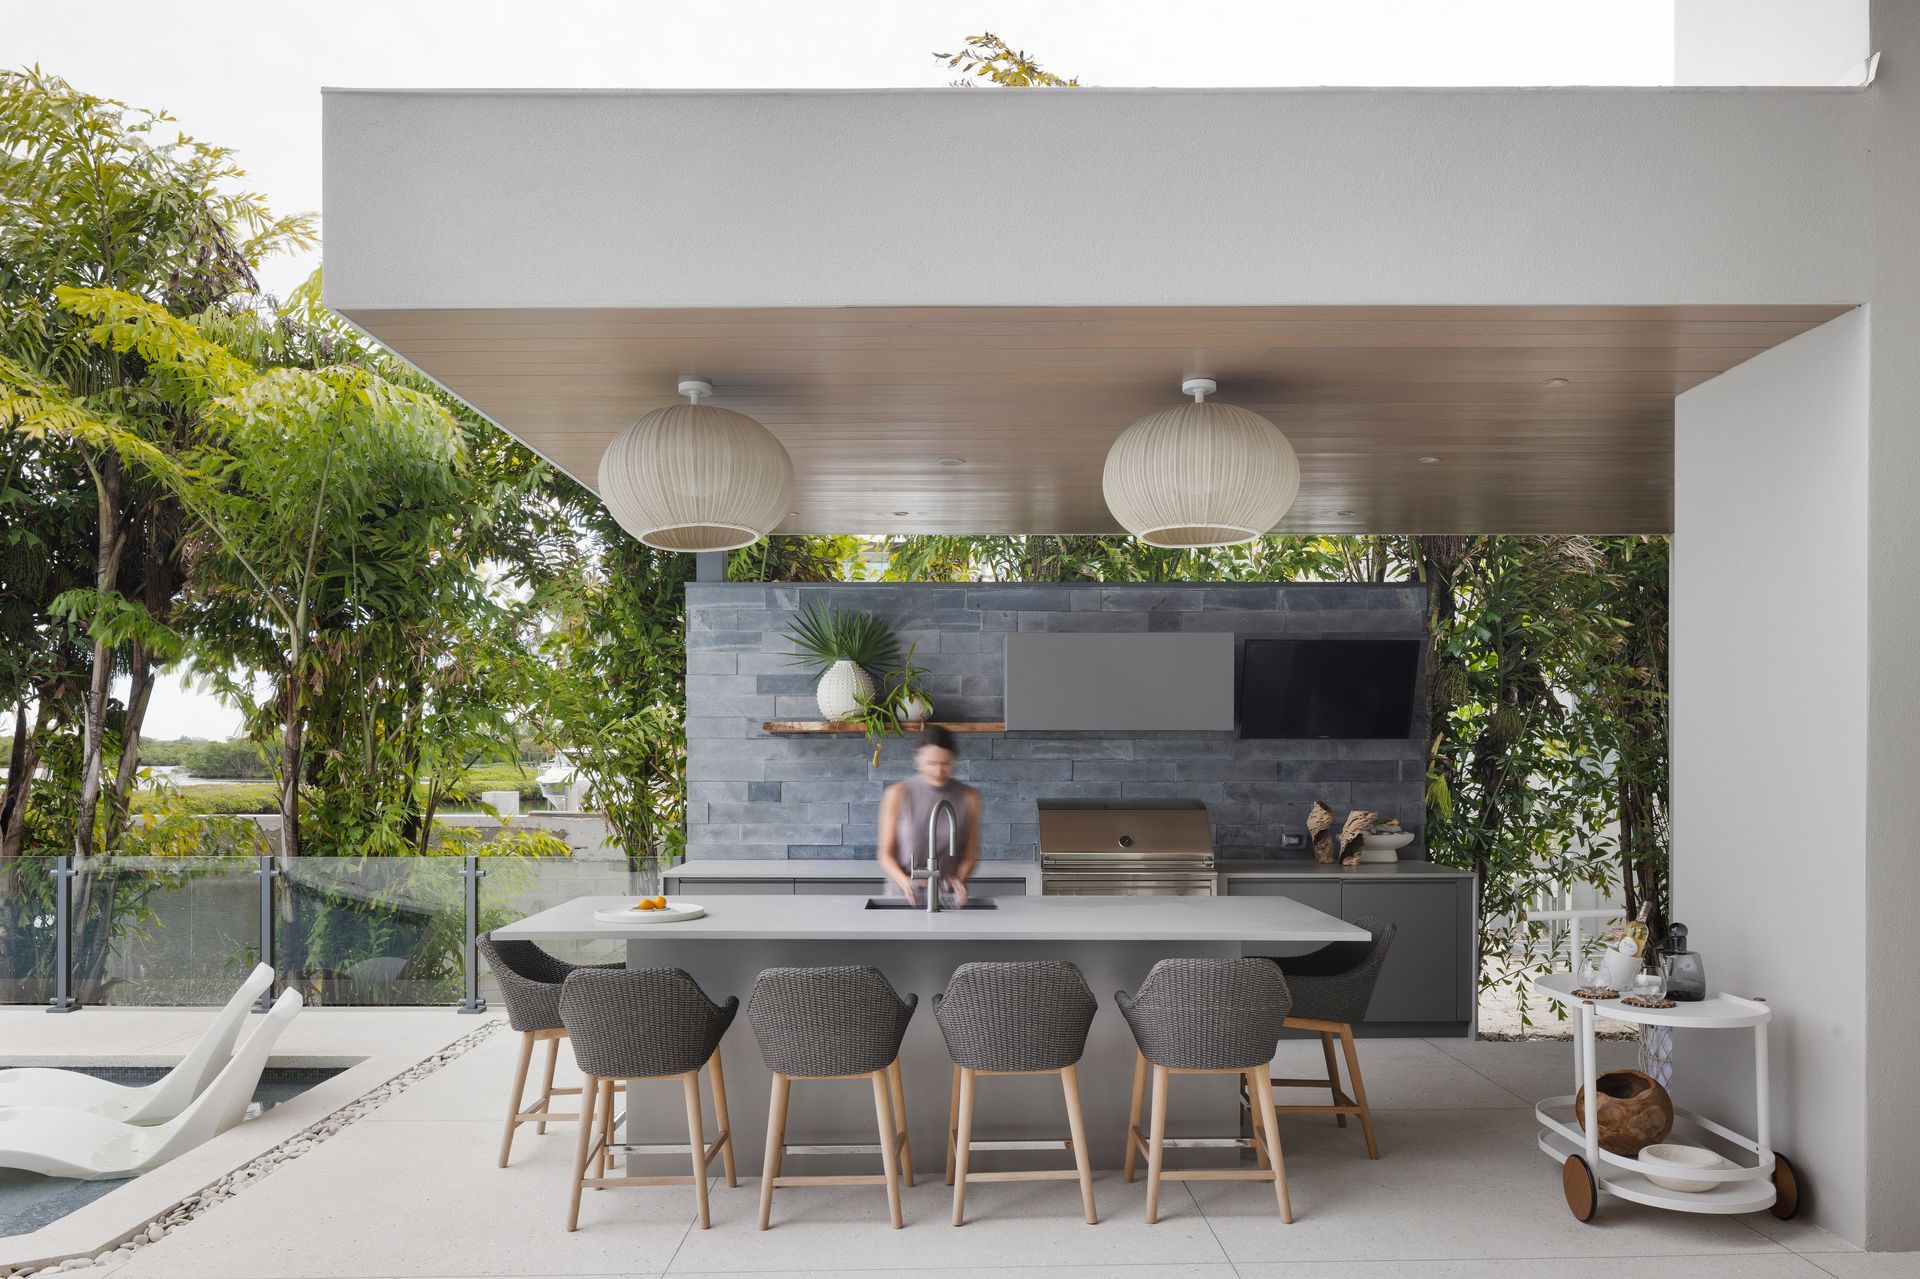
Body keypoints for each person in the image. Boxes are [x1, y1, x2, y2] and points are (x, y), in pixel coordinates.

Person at [876, 725, 981, 904]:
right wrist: (905, 882)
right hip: (903, 896)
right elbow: (885, 854)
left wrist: (959, 879)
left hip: (947, 898)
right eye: (931, 763)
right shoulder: (897, 794)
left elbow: (970, 856)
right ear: (918, 759)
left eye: (945, 763)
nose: (939, 771)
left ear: (953, 761)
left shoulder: (970, 798)